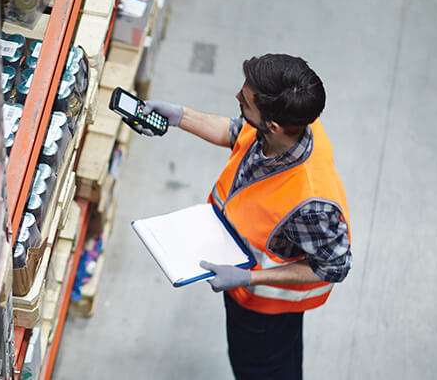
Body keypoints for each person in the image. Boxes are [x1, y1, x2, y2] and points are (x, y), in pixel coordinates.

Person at [137, 54, 352, 380]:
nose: (237, 97)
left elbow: (334, 267)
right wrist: (181, 116)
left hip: (265, 312)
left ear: (274, 126)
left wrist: (249, 279)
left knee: (261, 371)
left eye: (246, 100)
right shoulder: (289, 127)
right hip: (237, 274)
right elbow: (240, 132)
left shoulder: (312, 205)